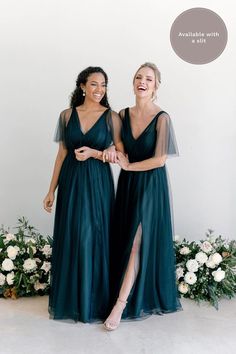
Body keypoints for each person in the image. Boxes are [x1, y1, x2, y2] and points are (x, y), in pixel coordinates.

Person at [104, 62, 182, 330]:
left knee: (137, 242)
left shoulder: (163, 118)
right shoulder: (122, 115)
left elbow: (160, 160)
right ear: (133, 82)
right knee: (125, 239)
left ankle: (120, 305)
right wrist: (113, 154)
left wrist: (129, 166)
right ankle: (125, 291)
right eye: (138, 77)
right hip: (128, 185)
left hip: (151, 184)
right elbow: (122, 151)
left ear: (156, 86)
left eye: (149, 78)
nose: (143, 81)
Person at [43, 66, 122, 323]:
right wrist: (50, 190)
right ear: (82, 86)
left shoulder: (112, 117)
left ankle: (95, 303)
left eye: (104, 85)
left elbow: (120, 153)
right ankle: (74, 300)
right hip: (71, 181)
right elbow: (62, 154)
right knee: (73, 235)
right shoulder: (66, 116)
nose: (100, 90)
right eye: (94, 84)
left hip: (98, 182)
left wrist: (101, 151)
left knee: (94, 235)